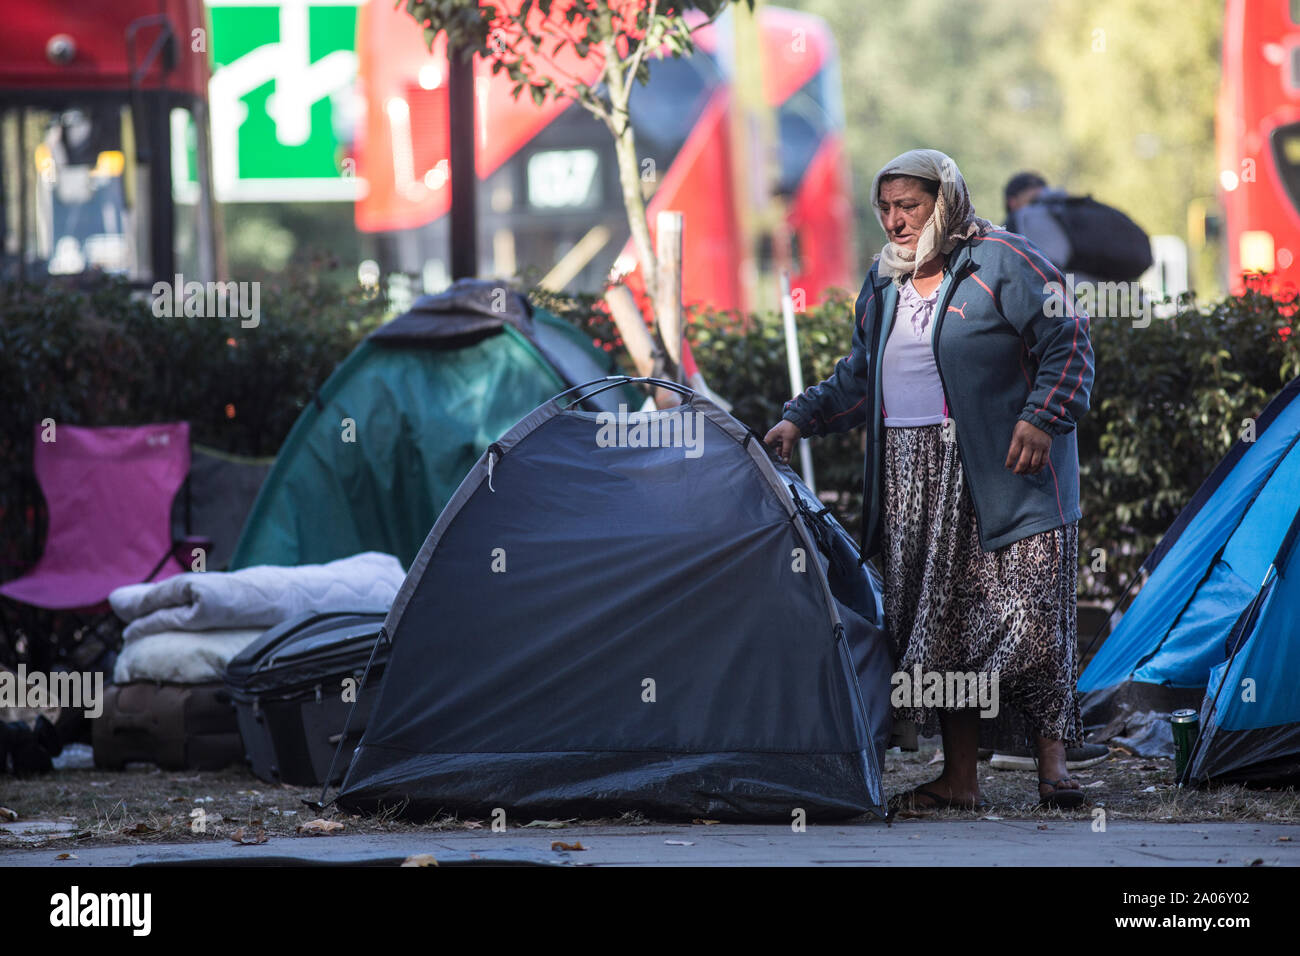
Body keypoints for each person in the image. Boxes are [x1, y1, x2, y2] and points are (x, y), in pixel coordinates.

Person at [764, 149, 1094, 810]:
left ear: (944, 201)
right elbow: (861, 377)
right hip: (914, 478)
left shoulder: (1005, 260)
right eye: (884, 208)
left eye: (908, 206)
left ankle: (1054, 771)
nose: (894, 220)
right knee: (940, 626)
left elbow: (1070, 339)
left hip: (1005, 473)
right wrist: (801, 417)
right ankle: (960, 780)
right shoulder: (884, 280)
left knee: (1031, 618)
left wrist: (1042, 416)